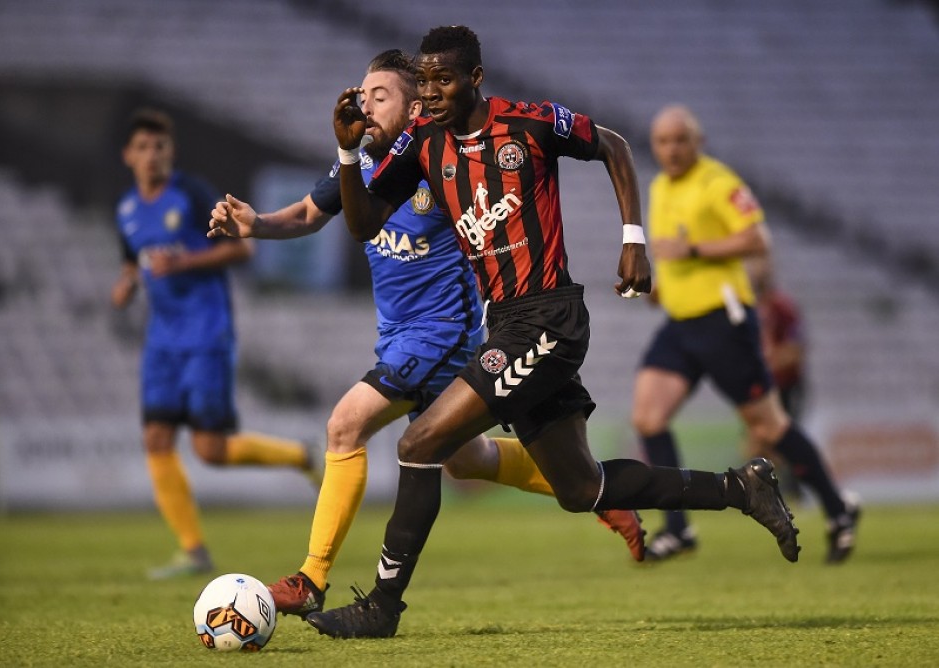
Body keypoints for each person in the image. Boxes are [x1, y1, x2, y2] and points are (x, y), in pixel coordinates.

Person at [305, 26, 800, 640]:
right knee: (580, 487)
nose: (430, 92)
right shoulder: (425, 145)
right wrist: (349, 154)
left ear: (475, 79)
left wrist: (633, 240)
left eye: (443, 79)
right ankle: (742, 488)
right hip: (506, 322)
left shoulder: (529, 123)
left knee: (420, 444)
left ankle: (382, 606)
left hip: (548, 320)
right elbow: (362, 223)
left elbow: (614, 147)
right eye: (424, 80)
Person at [206, 50, 647, 615]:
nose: (365, 107)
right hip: (398, 336)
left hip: (444, 333)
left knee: (345, 425)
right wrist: (255, 224)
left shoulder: (436, 157)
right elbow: (310, 215)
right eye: (361, 98)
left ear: (415, 105)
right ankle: (592, 492)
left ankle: (310, 580)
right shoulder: (362, 170)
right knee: (466, 461)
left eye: (379, 97)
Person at [631, 104, 859, 564]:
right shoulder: (658, 187)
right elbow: (673, 259)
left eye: (680, 139)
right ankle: (678, 528)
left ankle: (837, 511)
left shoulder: (718, 183)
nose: (671, 149)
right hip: (680, 323)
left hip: (723, 321)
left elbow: (757, 239)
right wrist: (656, 288)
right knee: (649, 418)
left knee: (769, 425)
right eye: (662, 141)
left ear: (698, 141)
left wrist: (694, 247)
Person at [111, 108, 317, 580]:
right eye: (142, 148)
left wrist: (181, 262)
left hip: (206, 333)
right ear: (128, 156)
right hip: (161, 341)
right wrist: (125, 285)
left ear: (171, 152)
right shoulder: (125, 208)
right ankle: (193, 550)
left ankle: (299, 455)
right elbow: (132, 263)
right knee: (156, 437)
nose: (151, 156)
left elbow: (243, 247)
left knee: (209, 450)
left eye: (159, 146)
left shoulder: (191, 192)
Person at [746, 255, 808, 499]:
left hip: (784, 384)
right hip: (759, 386)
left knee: (781, 439)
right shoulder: (746, 306)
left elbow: (796, 349)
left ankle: (792, 490)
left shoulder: (783, 308)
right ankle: (763, 492)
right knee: (758, 440)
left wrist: (768, 361)